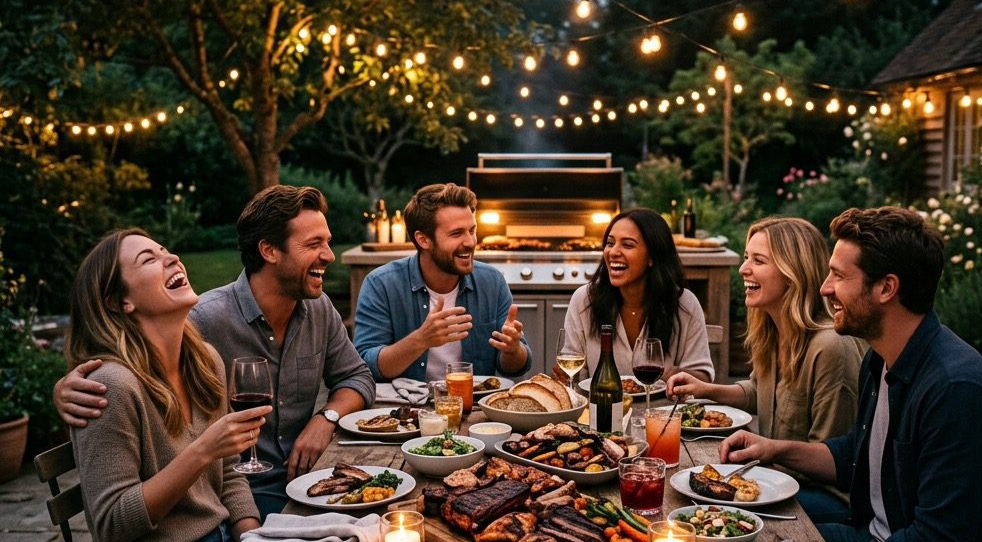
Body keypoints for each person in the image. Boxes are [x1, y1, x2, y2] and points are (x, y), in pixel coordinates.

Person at [55, 185, 376, 519]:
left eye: (326, 241)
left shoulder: (316, 309)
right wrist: (66, 387)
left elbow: (357, 376)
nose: (329, 255)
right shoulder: (200, 322)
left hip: (303, 479)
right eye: (314, 244)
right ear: (268, 250)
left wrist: (325, 419)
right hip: (247, 492)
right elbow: (125, 359)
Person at [717, 207, 982, 542]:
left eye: (839, 276)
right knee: (729, 527)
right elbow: (854, 454)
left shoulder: (955, 390)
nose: (824, 288)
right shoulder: (880, 360)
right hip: (871, 533)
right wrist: (773, 449)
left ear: (886, 288)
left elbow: (938, 536)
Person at [67, 229, 266, 541]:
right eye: (149, 259)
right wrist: (202, 451)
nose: (173, 258)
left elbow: (228, 472)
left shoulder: (204, 361)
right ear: (120, 302)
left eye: (165, 251)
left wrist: (251, 534)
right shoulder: (111, 388)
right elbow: (111, 525)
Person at [666, 217, 866, 523]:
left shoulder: (830, 348)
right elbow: (759, 390)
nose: (744, 269)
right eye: (747, 258)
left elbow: (832, 459)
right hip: (778, 479)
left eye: (758, 261)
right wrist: (705, 390)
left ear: (792, 273)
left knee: (702, 509)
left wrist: (758, 466)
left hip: (828, 500)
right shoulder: (774, 332)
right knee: (681, 489)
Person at [354, 183, 531, 382]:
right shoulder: (381, 285)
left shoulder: (492, 281)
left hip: (472, 407)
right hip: (407, 409)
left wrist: (513, 350)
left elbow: (515, 368)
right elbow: (365, 365)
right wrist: (420, 340)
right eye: (456, 234)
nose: (470, 242)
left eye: (472, 231)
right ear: (423, 240)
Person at [563, 208, 714, 382]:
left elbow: (703, 377)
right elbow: (572, 376)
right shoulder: (584, 300)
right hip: (602, 407)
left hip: (663, 408)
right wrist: (563, 379)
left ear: (652, 257)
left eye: (627, 245)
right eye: (610, 243)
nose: (613, 252)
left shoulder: (684, 304)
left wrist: (676, 373)